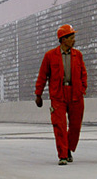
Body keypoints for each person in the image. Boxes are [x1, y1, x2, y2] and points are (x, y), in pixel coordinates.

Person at [35, 24, 87, 166]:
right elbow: (42, 76)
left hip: (75, 93)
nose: (74, 40)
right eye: (71, 37)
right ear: (63, 39)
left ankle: (68, 148)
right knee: (60, 125)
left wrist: (83, 88)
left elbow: (83, 73)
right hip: (58, 95)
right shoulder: (50, 56)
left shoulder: (78, 55)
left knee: (75, 125)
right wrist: (38, 94)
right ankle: (63, 155)